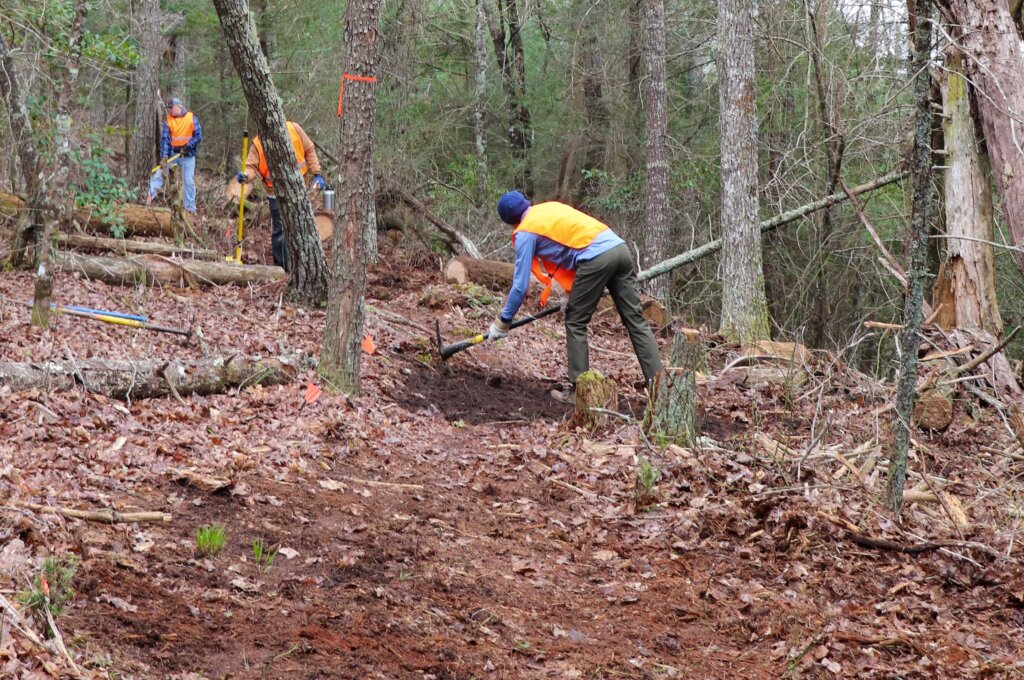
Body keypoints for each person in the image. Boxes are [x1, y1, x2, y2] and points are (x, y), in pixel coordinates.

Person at [488, 191, 664, 401]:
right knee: (636, 321)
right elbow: (571, 244)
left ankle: (579, 392)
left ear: (509, 221)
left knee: (575, 321)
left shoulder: (525, 232)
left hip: (596, 258)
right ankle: (660, 389)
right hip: (619, 249)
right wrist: (572, 292)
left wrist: (503, 321)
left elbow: (519, 286)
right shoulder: (548, 208)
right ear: (527, 203)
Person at [237, 120, 325, 270]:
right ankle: (282, 266)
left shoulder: (294, 129)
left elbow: (309, 149)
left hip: (299, 188)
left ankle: (305, 264)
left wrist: (317, 173)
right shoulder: (258, 143)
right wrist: (246, 175)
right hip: (274, 192)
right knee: (280, 229)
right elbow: (251, 167)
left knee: (302, 225)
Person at [148, 97, 202, 213]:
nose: (170, 111)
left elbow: (198, 136)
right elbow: (165, 140)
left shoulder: (191, 118)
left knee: (189, 181)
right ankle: (148, 201)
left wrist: (188, 146)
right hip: (173, 156)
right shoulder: (169, 120)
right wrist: (164, 157)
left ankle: (190, 209)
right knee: (159, 175)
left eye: (171, 108)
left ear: (179, 106)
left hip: (188, 156)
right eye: (169, 109)